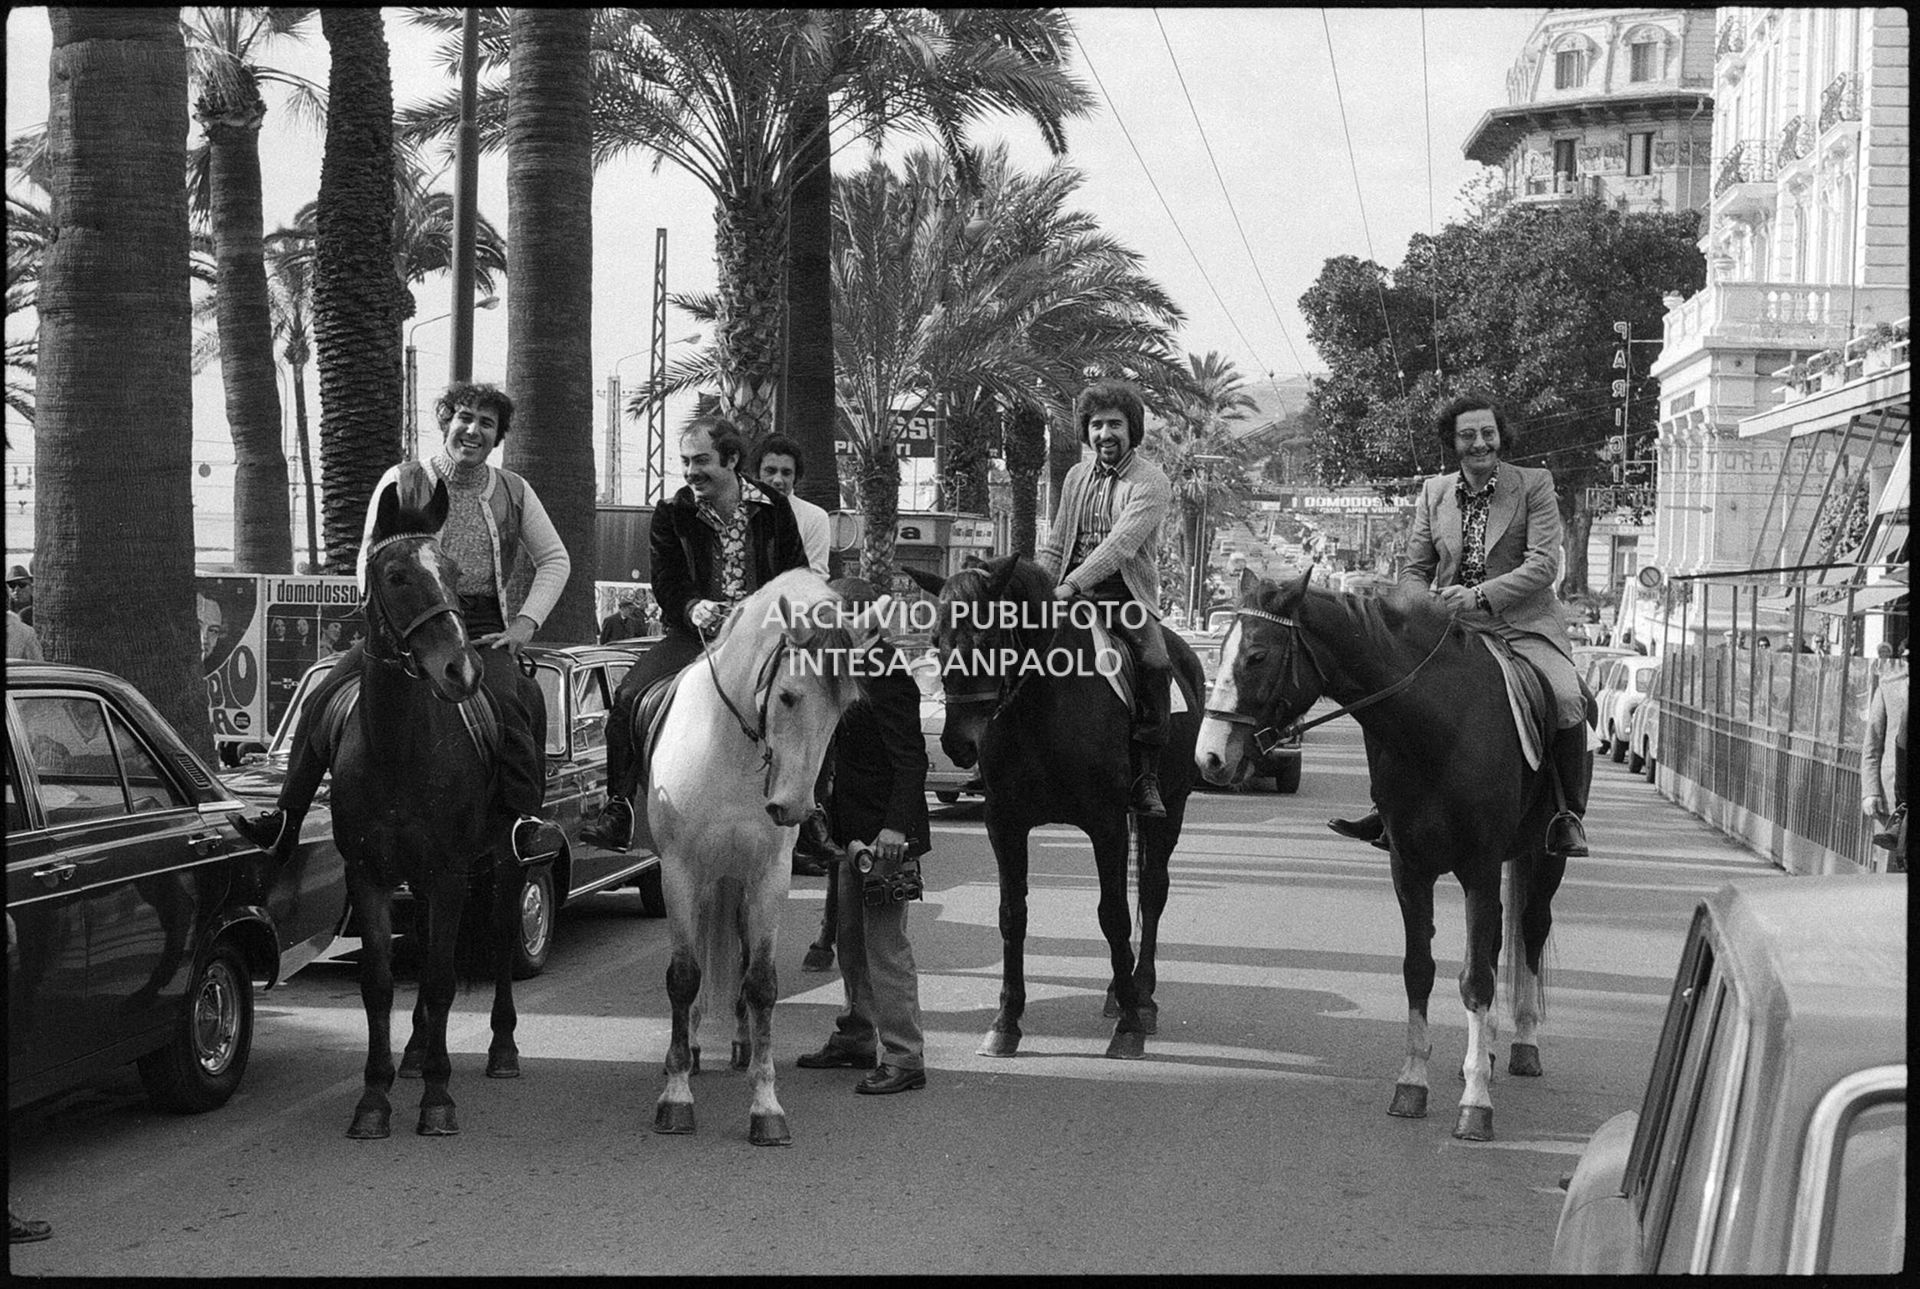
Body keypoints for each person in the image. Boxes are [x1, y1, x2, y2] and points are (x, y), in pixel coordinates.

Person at [232, 382, 570, 865]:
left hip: (477, 625)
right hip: (404, 619)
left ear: (498, 438)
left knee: (515, 702)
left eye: (487, 424)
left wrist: (524, 625)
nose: (473, 430)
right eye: (464, 417)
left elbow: (555, 560)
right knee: (322, 697)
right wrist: (383, 617)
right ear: (446, 422)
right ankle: (285, 818)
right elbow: (368, 553)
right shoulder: (403, 478)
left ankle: (522, 825)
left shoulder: (515, 491)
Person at [1328, 393, 1592, 858]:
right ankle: (1384, 807)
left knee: (1568, 698)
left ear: (1500, 436)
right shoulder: (1434, 493)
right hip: (1447, 630)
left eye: (1487, 433)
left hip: (1522, 625)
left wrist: (1479, 595)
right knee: (1385, 693)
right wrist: (1420, 604)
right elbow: (1414, 567)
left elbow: (1544, 565)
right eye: (1468, 435)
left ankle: (1565, 813)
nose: (1479, 443)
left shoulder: (1533, 484)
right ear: (1453, 442)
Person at [582, 414, 807, 850]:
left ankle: (813, 814)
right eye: (684, 461)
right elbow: (665, 582)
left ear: (732, 459)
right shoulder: (672, 513)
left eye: (700, 460)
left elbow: (794, 573)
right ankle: (620, 807)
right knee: (627, 699)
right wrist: (691, 607)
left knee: (816, 697)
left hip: (764, 641)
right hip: (692, 636)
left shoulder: (774, 511)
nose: (690, 472)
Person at [794, 577, 931, 1095]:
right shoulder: (845, 669)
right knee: (850, 943)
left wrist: (895, 827)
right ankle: (855, 1037)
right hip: (852, 836)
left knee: (885, 947)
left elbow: (911, 760)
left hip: (885, 842)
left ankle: (905, 1057)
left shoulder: (889, 675)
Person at [1034, 377, 1175, 817]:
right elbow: (1057, 542)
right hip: (1065, 592)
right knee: (1010, 653)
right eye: (1096, 425)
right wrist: (1038, 589)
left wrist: (1071, 585)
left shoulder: (1151, 482)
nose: (1104, 434)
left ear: (1132, 429)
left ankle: (1146, 776)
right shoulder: (1076, 476)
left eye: (1114, 424)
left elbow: (1118, 547)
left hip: (1124, 596)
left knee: (1156, 664)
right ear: (1086, 430)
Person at [752, 433, 831, 576]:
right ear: (757, 473)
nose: (777, 480)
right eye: (770, 471)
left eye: (786, 473)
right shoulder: (740, 512)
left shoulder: (815, 517)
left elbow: (815, 576)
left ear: (795, 477)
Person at [1861, 660, 1907, 869]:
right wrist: (1871, 791)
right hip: (1892, 798)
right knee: (1888, 869)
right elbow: (1873, 742)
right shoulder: (1889, 686)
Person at [7, 562, 32, 627]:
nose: (16, 589)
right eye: (12, 585)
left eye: (22, 584)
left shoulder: (41, 609)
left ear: (31, 587)